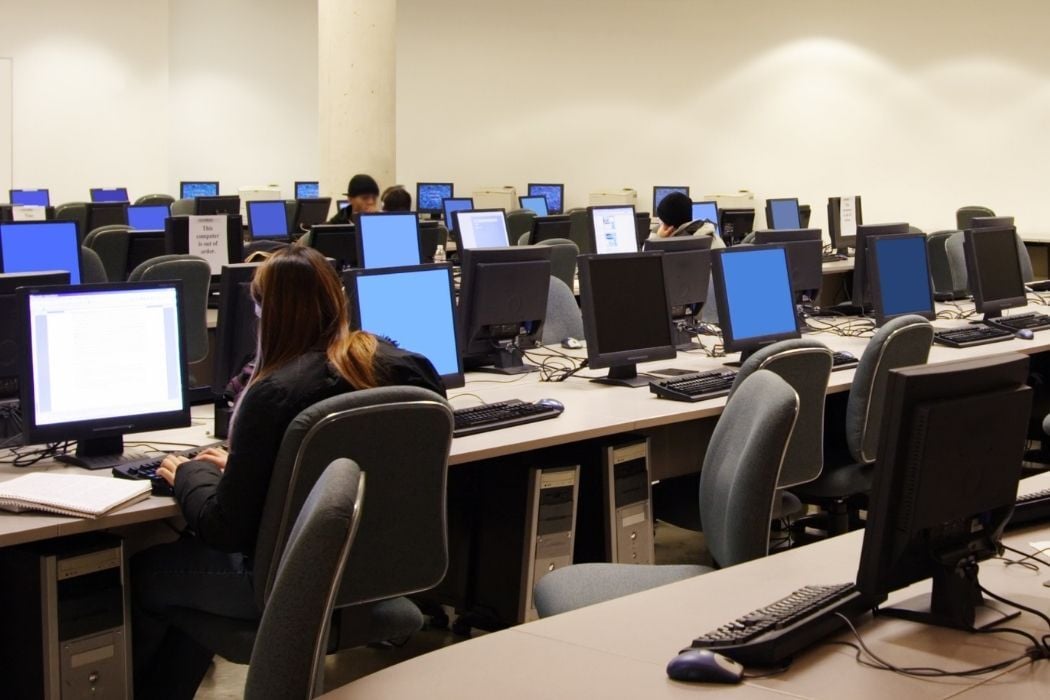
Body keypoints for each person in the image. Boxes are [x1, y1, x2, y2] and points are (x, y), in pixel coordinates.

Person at [131, 245, 445, 699]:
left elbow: (224, 528)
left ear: (266, 312)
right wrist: (251, 469)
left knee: (143, 571)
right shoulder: (406, 368)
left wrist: (187, 475)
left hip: (282, 584)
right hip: (377, 576)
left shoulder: (275, 394)